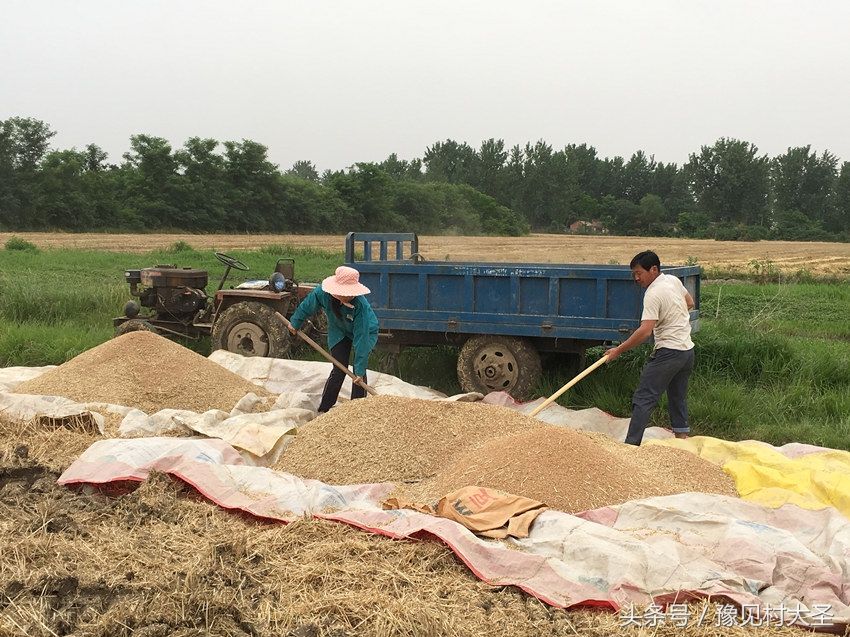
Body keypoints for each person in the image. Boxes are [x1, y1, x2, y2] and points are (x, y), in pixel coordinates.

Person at [605, 250, 696, 445]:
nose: (636, 278)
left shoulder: (653, 293)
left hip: (669, 353)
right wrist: (671, 318)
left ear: (653, 269)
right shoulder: (672, 280)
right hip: (687, 351)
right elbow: (689, 302)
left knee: (644, 397)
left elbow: (645, 331)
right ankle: (681, 437)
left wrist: (618, 350)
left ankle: (631, 445)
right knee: (677, 395)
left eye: (639, 273)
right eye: (634, 274)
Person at [288, 265, 379, 413]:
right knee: (339, 369)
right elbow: (308, 306)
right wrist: (295, 322)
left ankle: (357, 411)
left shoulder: (360, 306)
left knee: (358, 374)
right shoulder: (322, 293)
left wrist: (360, 371)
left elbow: (361, 339)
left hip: (365, 331)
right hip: (339, 330)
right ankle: (325, 409)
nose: (348, 296)